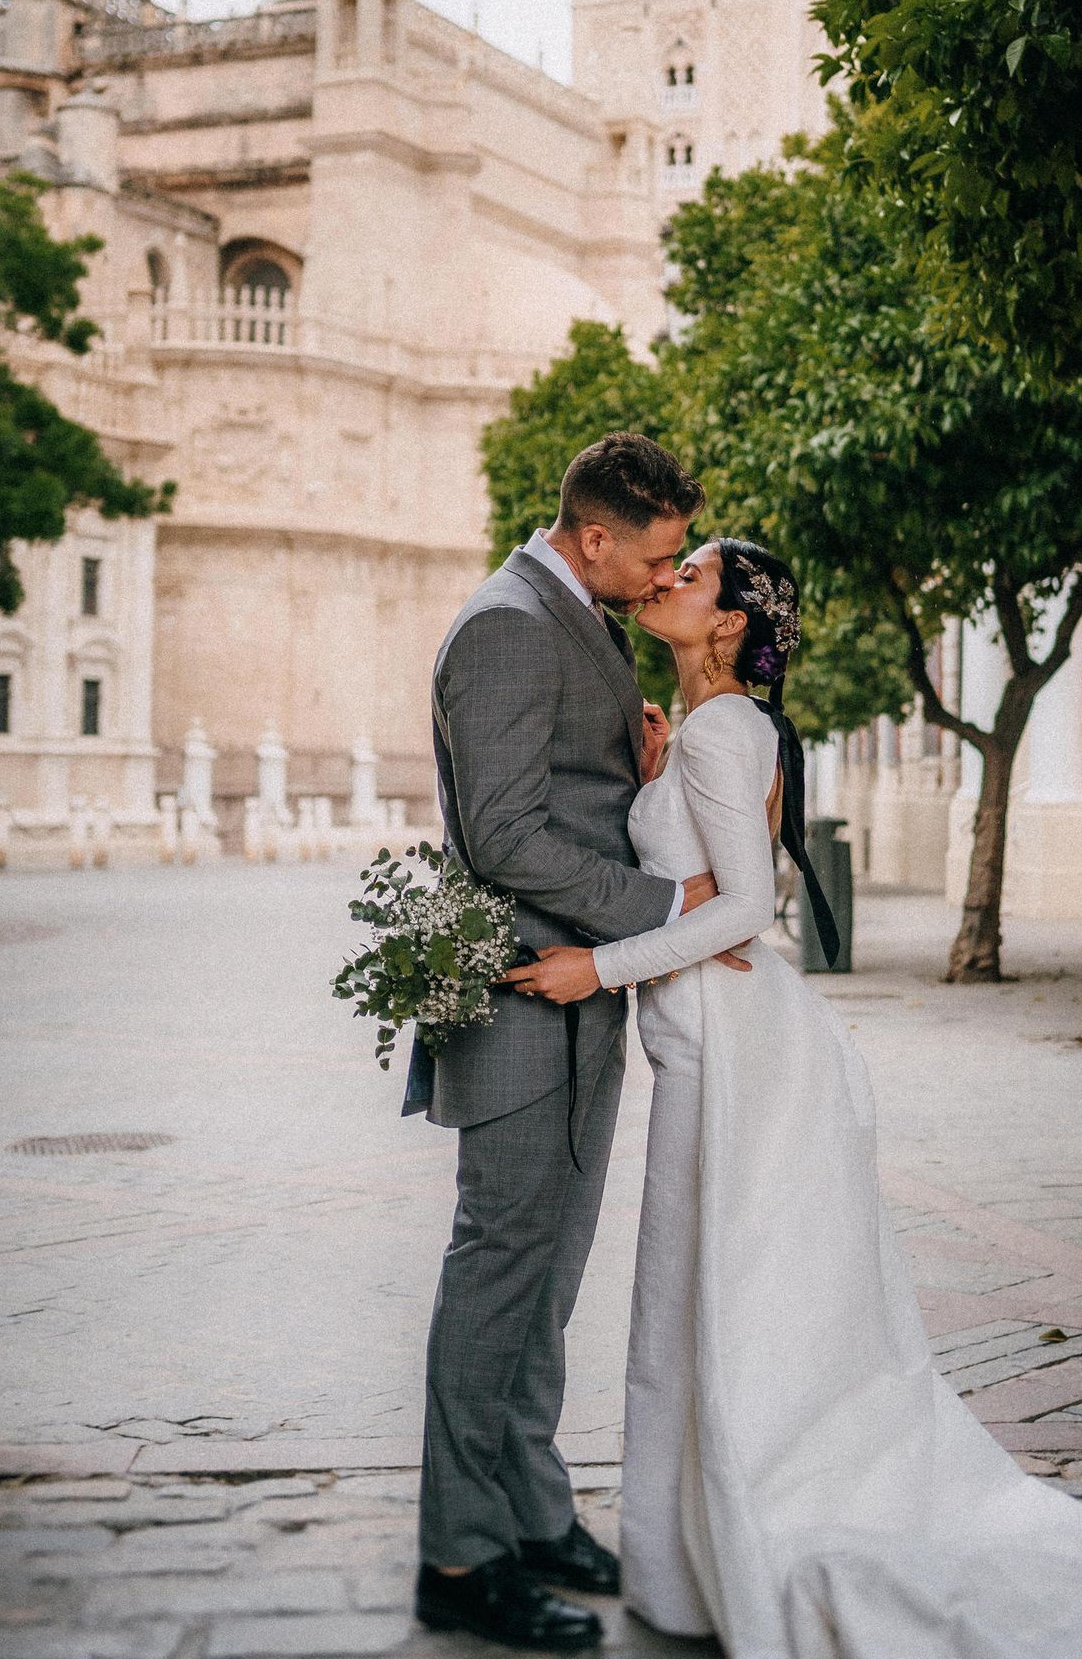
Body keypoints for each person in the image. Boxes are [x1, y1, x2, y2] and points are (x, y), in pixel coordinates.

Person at [507, 538, 1082, 1659]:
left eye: (693, 573)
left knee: (724, 1296)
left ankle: (733, 1533)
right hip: (707, 1041)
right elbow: (710, 869)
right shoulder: (700, 728)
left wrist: (600, 966)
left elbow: (747, 909)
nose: (668, 577)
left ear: (730, 622)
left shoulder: (728, 727)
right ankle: (685, 1556)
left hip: (744, 1053)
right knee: (690, 1293)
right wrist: (653, 775)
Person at [410, 433, 724, 1652]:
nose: (661, 578)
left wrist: (644, 775)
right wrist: (667, 913)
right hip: (514, 997)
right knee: (497, 1272)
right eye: (652, 555)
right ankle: (459, 1549)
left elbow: (573, 795)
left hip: (578, 995)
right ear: (595, 536)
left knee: (545, 1278)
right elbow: (499, 837)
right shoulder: (504, 622)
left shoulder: (577, 608)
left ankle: (534, 1512)